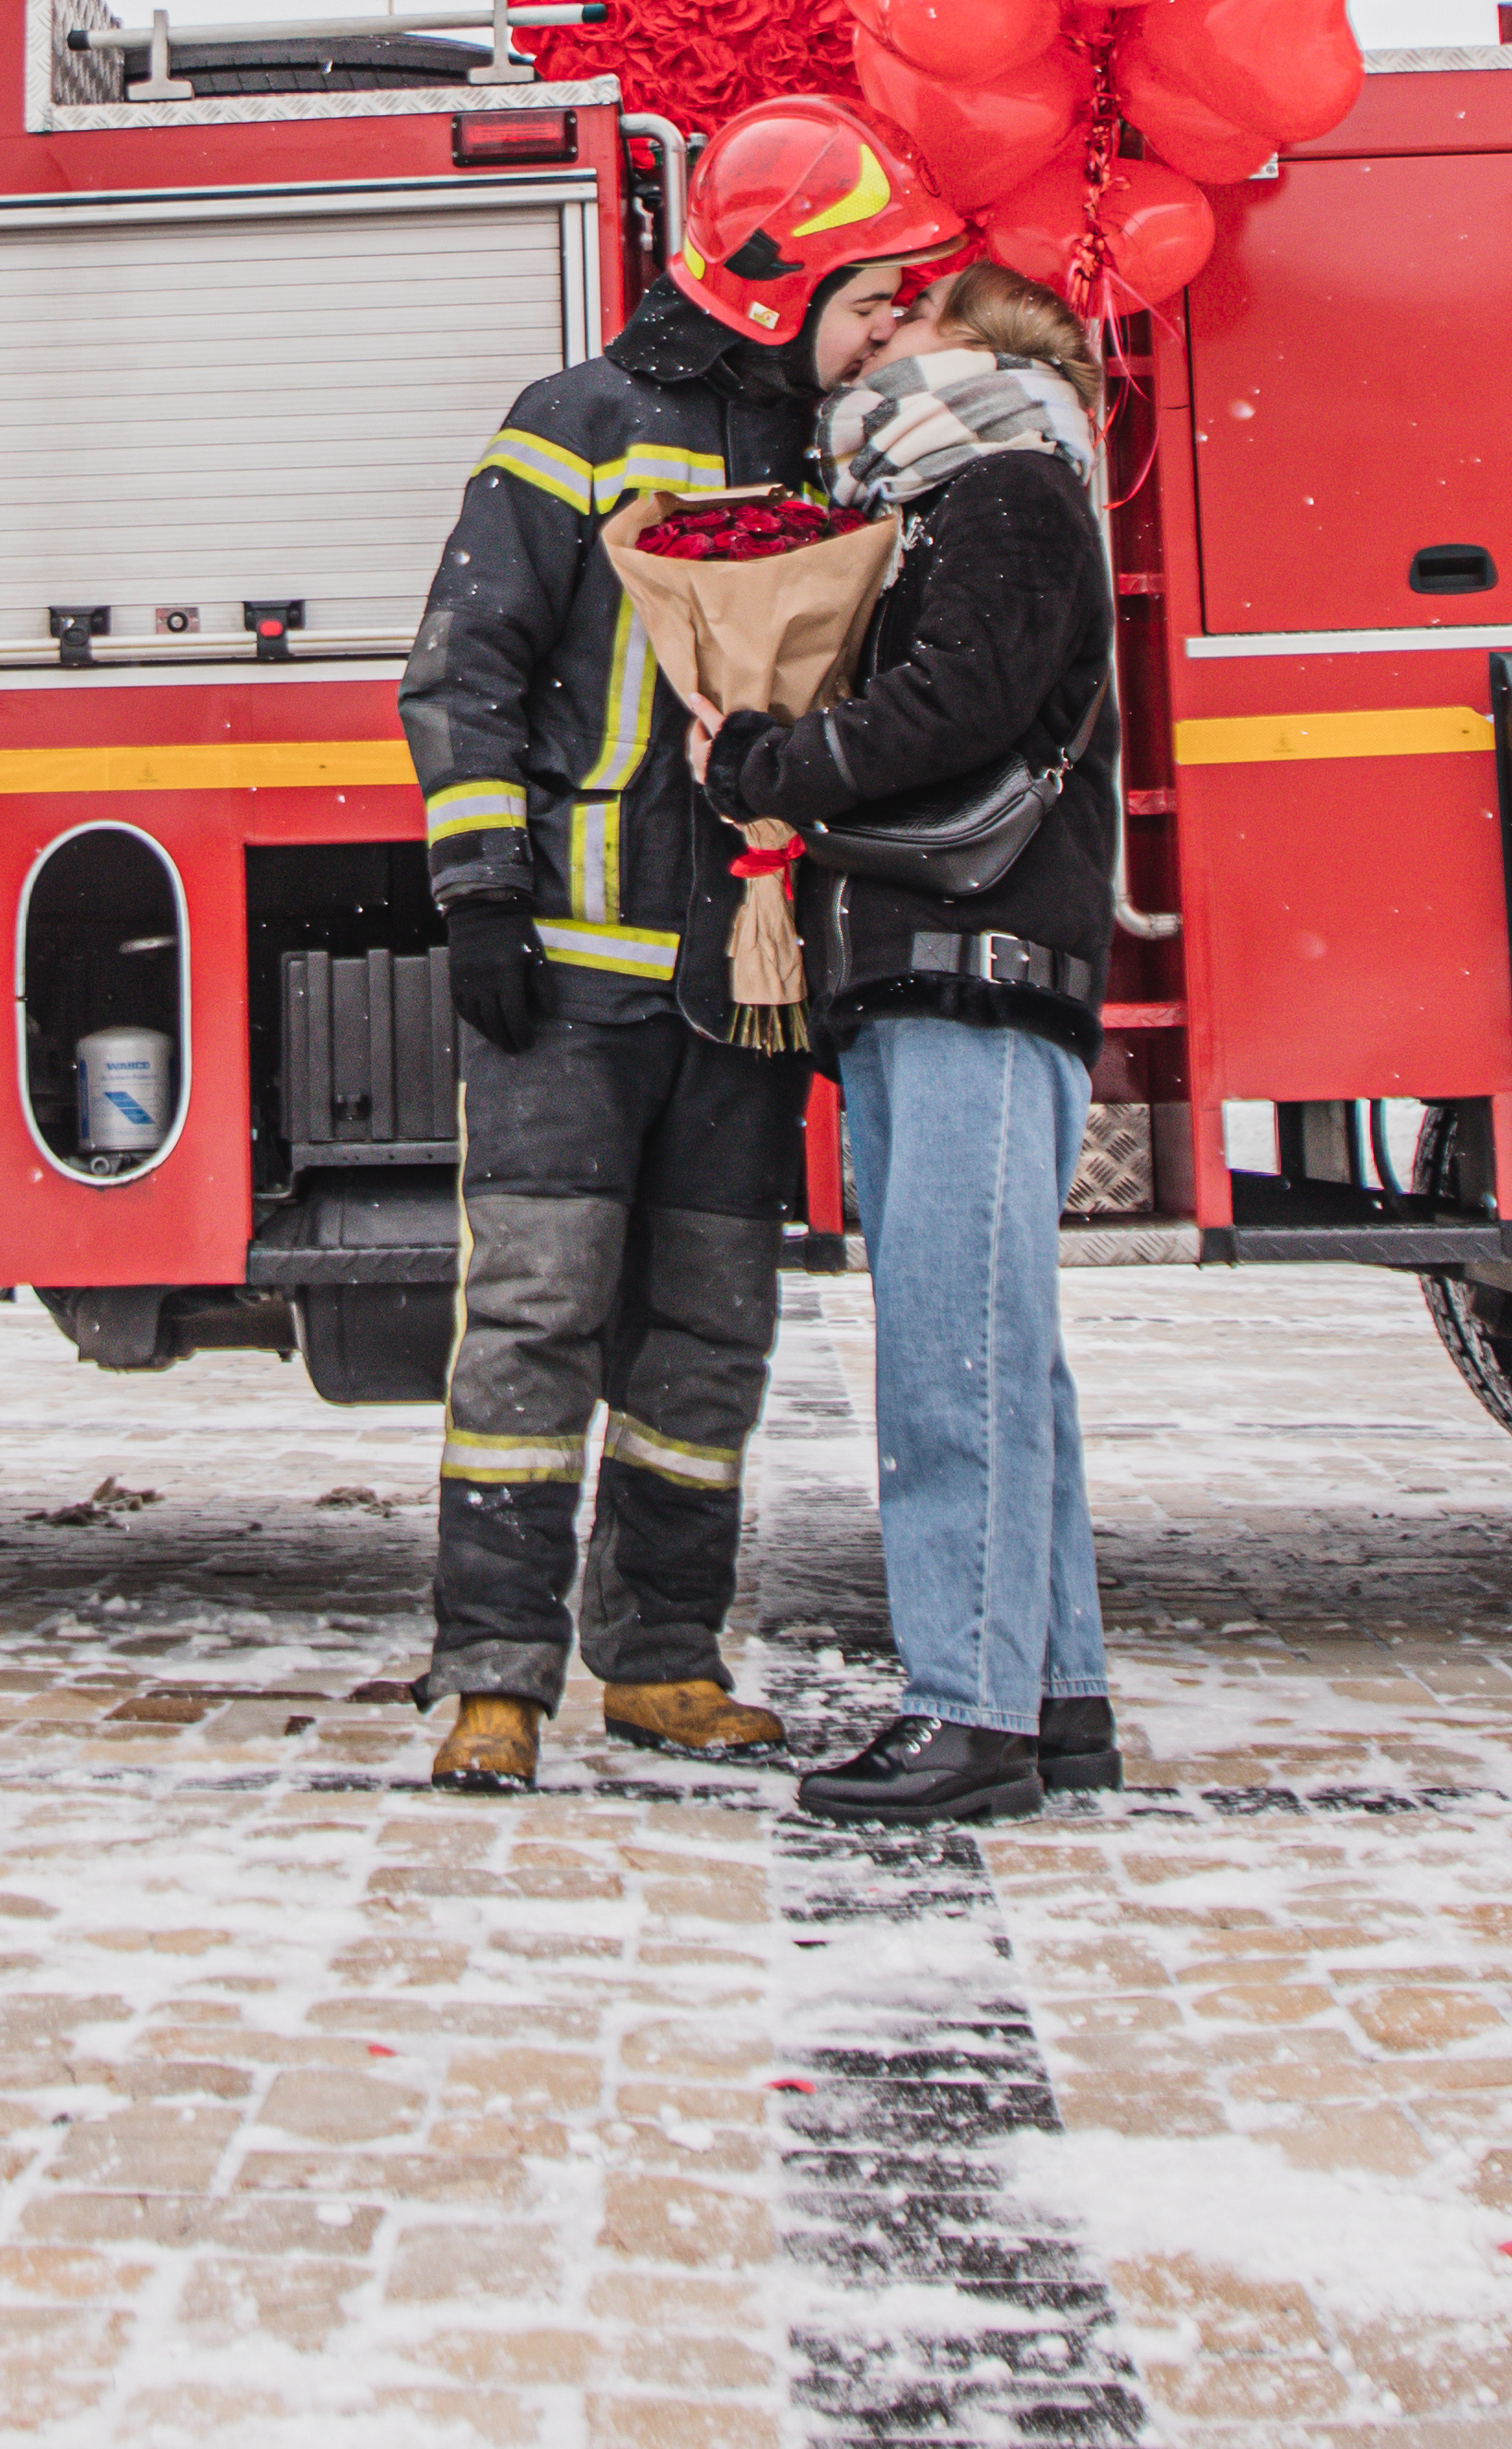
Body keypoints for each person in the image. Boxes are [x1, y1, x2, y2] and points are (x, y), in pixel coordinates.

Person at [400, 91, 967, 1793]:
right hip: (569, 978)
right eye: (876, 287)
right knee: (536, 1321)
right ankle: (496, 1679)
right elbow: (464, 676)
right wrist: (484, 895)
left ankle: (660, 1660)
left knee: (711, 1335)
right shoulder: (573, 422)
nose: (900, 319)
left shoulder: (846, 452)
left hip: (747, 976)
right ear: (773, 284)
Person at [698, 257, 1123, 1825]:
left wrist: (769, 759)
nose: (880, 331)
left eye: (911, 314)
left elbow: (961, 704)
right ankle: (1054, 1697)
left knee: (956, 1357)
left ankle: (968, 1716)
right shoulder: (973, 489)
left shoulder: (999, 479)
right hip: (960, 961)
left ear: (973, 344)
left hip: (970, 966)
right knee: (1007, 1358)